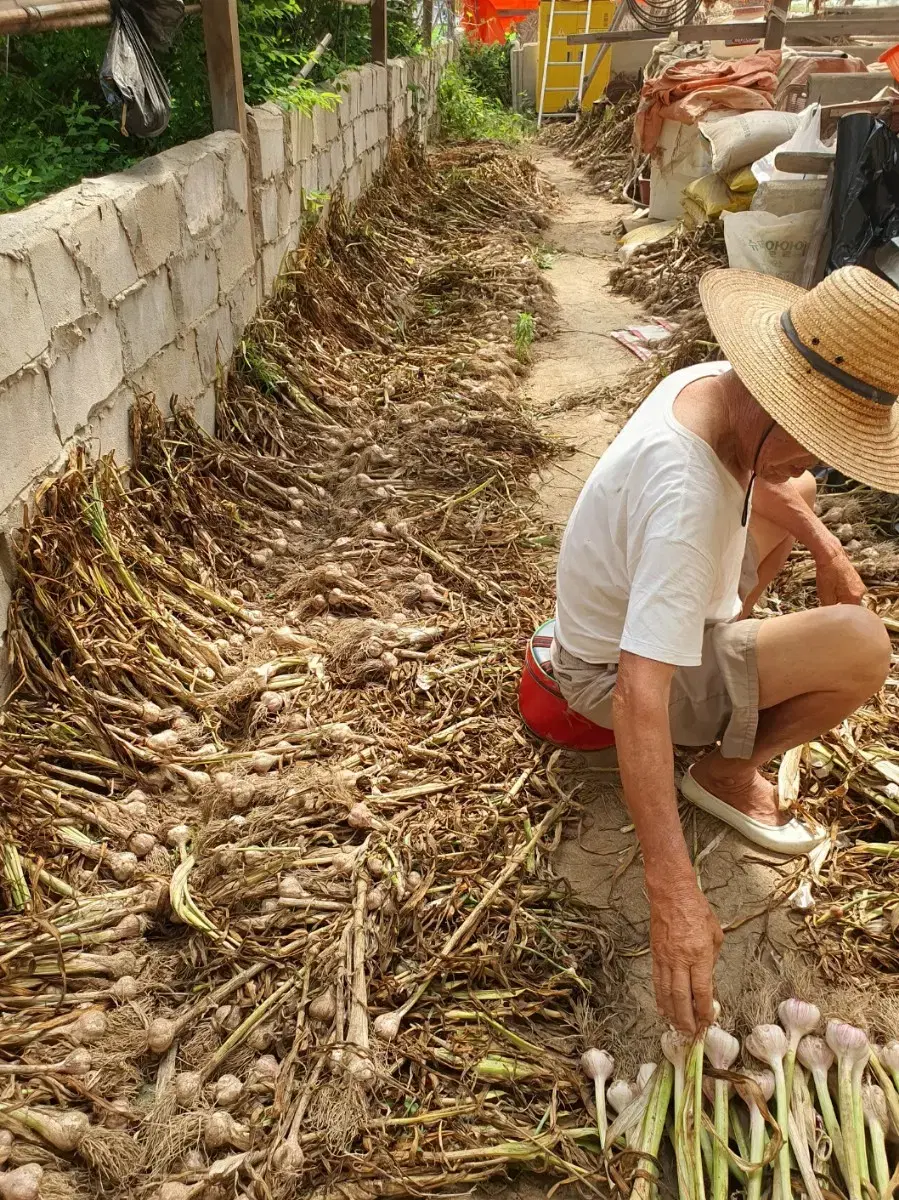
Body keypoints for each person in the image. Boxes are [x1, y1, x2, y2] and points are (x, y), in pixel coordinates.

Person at [551, 265, 899, 1036]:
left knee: (792, 500)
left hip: (626, 624)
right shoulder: (685, 501)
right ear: (778, 402)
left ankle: (724, 682)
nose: (815, 461)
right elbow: (637, 695)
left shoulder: (711, 382)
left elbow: (774, 484)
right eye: (819, 437)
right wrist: (671, 889)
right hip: (607, 674)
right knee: (859, 647)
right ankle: (722, 766)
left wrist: (825, 548)